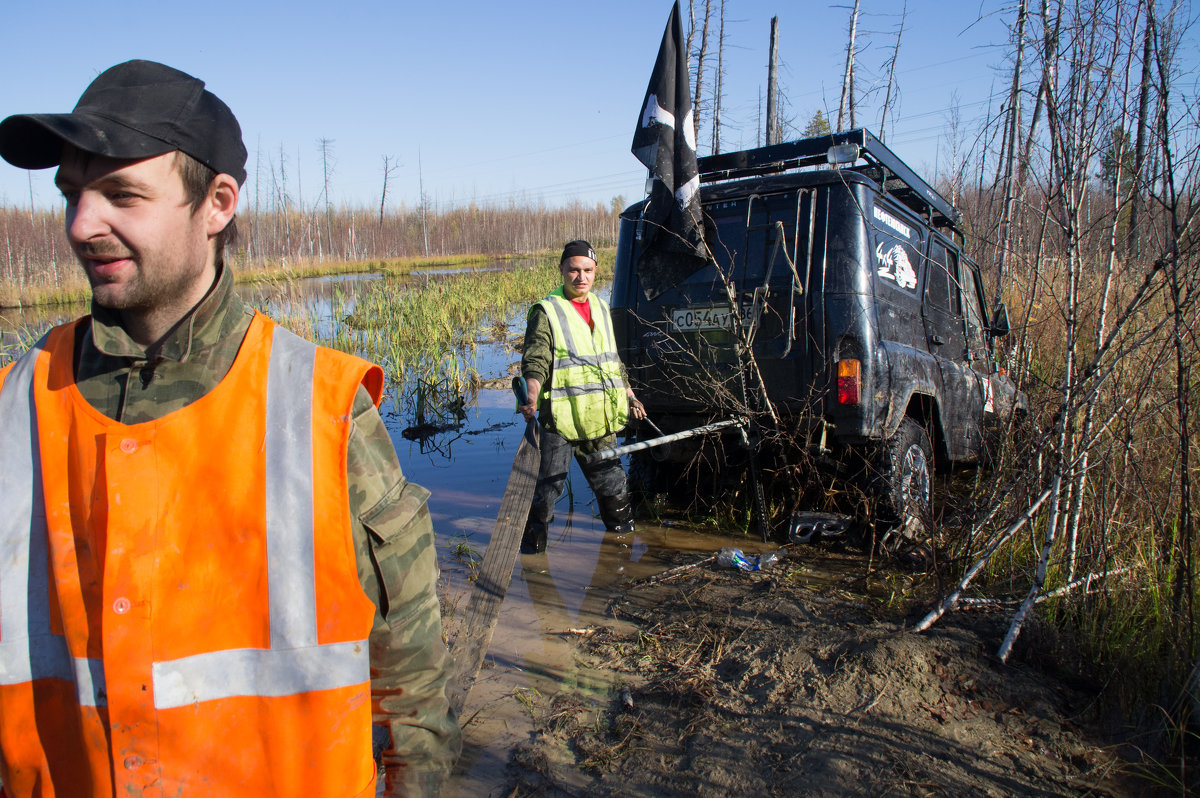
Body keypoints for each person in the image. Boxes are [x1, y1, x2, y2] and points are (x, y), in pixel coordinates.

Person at [0, 60, 459, 797]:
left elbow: (409, 684)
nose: (83, 224)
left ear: (216, 204)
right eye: (72, 194)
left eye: (121, 193)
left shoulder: (325, 409)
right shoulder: (13, 407)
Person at [518, 240, 646, 554]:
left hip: (598, 418)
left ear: (596, 272)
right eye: (573, 270)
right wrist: (531, 395)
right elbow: (535, 362)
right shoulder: (546, 311)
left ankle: (620, 553)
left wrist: (630, 396)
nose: (581, 277)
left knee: (614, 487)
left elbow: (612, 360)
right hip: (559, 422)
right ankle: (533, 558)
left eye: (587, 270)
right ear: (562, 270)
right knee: (547, 492)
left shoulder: (602, 308)